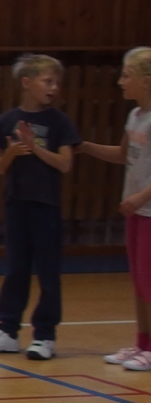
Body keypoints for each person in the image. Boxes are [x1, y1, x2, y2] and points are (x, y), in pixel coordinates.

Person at [0, 53, 82, 362]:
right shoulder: (8, 120)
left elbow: (65, 164)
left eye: (57, 82)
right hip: (16, 204)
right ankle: (6, 331)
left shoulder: (59, 122)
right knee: (16, 269)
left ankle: (45, 336)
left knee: (48, 273)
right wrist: (12, 153)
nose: (54, 87)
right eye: (48, 81)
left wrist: (35, 148)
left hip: (46, 206)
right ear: (27, 83)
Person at [68, 48, 151, 370]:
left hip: (147, 210)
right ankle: (142, 343)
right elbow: (122, 155)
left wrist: (141, 197)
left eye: (126, 76)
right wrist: (86, 147)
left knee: (149, 280)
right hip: (136, 211)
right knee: (138, 281)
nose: (120, 82)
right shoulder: (135, 117)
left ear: (147, 81)